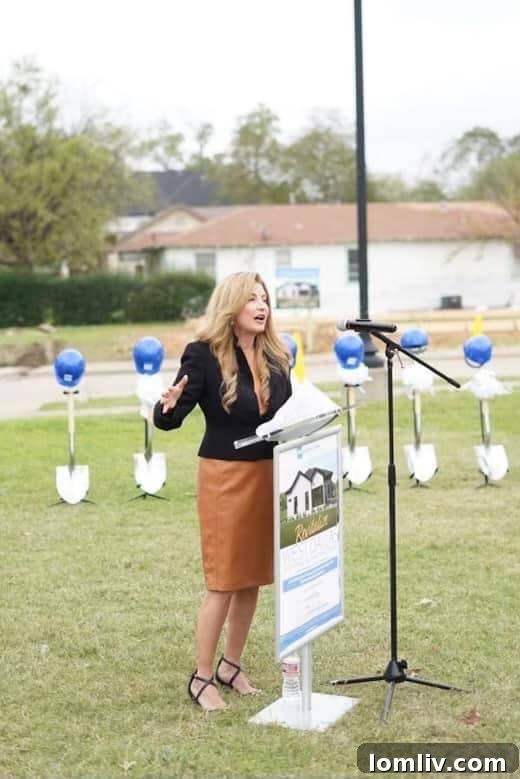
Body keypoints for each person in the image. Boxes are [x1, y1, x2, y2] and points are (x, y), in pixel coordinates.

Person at [154, 272, 292, 711]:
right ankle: (202, 677)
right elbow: (172, 416)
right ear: (231, 306)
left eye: (265, 298)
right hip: (225, 477)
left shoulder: (275, 353)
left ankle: (231, 665)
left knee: (251, 577)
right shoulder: (203, 354)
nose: (261, 305)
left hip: (267, 473)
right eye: (252, 299)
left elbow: (286, 412)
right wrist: (167, 406)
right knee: (223, 581)